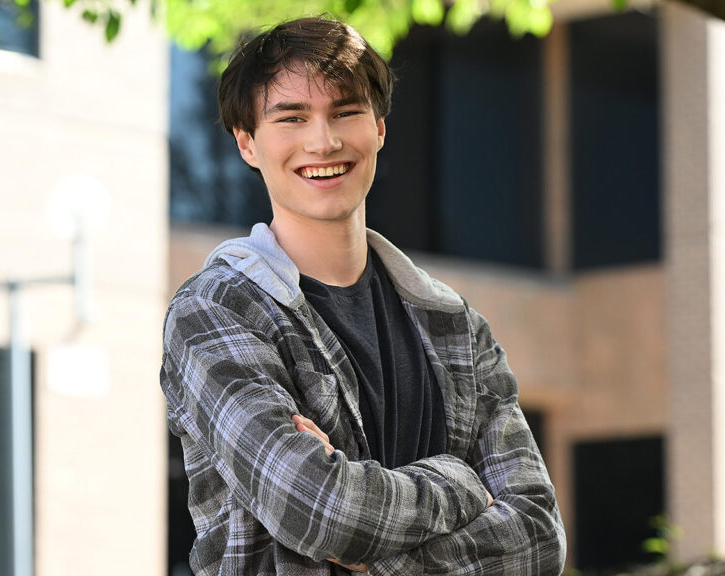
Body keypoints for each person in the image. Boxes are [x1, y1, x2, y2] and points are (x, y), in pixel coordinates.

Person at [160, 16, 566, 575]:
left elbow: (539, 538)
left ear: (378, 127)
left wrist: (372, 561)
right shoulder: (215, 311)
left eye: (344, 112)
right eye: (292, 118)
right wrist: (460, 483)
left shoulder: (454, 326)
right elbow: (322, 511)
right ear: (248, 143)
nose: (322, 140)